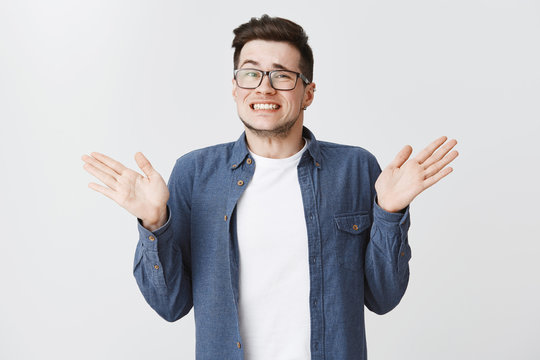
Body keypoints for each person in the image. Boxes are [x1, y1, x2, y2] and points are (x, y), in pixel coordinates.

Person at [82, 14, 458, 360]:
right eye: (250, 74)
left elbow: (383, 297)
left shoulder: (356, 169)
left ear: (307, 92)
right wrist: (154, 224)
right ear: (234, 87)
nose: (264, 88)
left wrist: (389, 214)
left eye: (282, 75)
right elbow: (171, 306)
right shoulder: (194, 173)